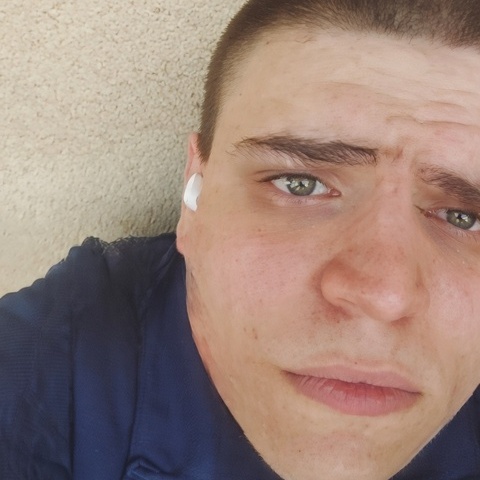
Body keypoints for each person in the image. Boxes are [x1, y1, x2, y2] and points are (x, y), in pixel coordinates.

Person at [2, 0, 480, 478]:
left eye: (464, 217)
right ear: (194, 193)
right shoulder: (50, 363)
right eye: (300, 184)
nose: (383, 295)